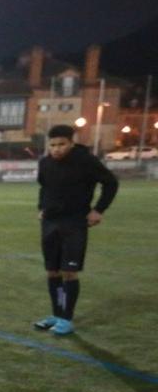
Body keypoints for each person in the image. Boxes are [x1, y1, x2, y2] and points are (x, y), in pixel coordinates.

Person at [33, 124, 118, 336]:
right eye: (52, 145)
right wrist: (41, 208)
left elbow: (111, 183)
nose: (57, 149)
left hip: (74, 223)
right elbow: (44, 188)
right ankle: (56, 313)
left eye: (61, 144)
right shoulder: (45, 163)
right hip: (50, 222)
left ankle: (66, 318)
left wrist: (98, 210)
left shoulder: (86, 161)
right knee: (52, 271)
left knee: (69, 271)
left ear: (72, 142)